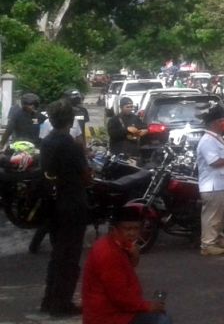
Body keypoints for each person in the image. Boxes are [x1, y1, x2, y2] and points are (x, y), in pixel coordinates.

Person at [39, 99, 90, 317]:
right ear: (70, 121)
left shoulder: (48, 141)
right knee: (69, 257)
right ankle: (62, 304)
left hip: (53, 204)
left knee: (57, 255)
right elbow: (85, 176)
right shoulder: (70, 144)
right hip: (71, 203)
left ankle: (49, 301)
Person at [81, 204, 171, 324]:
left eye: (136, 228)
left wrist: (135, 256)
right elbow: (120, 297)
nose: (132, 233)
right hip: (108, 316)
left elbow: (126, 269)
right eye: (127, 229)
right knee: (161, 320)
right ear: (114, 230)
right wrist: (147, 306)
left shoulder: (119, 242)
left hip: (116, 310)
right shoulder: (107, 253)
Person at [195, 106, 224, 256]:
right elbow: (213, 161)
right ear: (213, 123)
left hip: (221, 184)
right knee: (212, 216)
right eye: (220, 121)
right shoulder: (207, 140)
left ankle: (219, 240)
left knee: (221, 215)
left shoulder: (216, 138)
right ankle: (207, 244)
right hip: (212, 185)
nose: (223, 124)